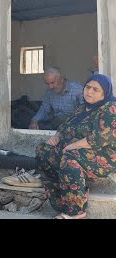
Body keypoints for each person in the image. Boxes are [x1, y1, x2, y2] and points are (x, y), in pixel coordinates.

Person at [35, 73, 116, 219]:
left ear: (105, 92)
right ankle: (65, 192)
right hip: (78, 151)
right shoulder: (84, 107)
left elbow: (98, 139)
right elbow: (66, 125)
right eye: (88, 87)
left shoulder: (110, 108)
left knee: (70, 157)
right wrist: (57, 136)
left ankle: (76, 212)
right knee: (43, 150)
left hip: (104, 155)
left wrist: (72, 146)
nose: (89, 91)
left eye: (95, 89)